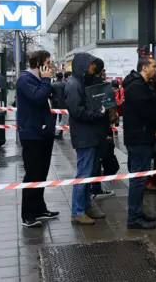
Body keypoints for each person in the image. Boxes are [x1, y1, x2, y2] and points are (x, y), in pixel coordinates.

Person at [16, 50, 59, 227]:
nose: (50, 66)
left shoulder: (39, 80)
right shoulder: (25, 79)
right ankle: (28, 214)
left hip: (44, 132)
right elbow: (37, 97)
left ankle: (39, 208)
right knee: (32, 173)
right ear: (39, 64)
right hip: (32, 133)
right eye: (47, 63)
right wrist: (47, 80)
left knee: (42, 173)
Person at [66, 53, 107, 225]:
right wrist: (95, 115)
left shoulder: (81, 82)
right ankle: (78, 211)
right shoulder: (74, 85)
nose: (93, 68)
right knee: (83, 173)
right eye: (91, 65)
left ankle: (86, 206)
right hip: (84, 135)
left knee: (88, 173)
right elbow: (77, 111)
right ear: (83, 65)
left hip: (89, 134)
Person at [123, 57, 156, 230]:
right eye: (153, 66)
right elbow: (147, 112)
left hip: (143, 136)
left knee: (140, 177)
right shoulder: (136, 87)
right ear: (145, 68)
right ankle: (134, 217)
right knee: (138, 179)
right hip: (139, 137)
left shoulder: (143, 85)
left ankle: (138, 212)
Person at [88, 60, 118, 199]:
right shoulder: (105, 88)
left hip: (88, 130)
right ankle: (94, 188)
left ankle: (93, 189)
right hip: (102, 129)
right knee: (99, 160)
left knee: (91, 162)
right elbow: (111, 114)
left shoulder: (85, 85)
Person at [50, 72, 66, 139]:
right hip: (63, 103)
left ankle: (53, 133)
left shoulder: (53, 84)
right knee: (61, 119)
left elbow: (48, 94)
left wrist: (51, 98)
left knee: (53, 119)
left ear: (56, 77)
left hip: (54, 103)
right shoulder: (65, 84)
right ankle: (60, 134)